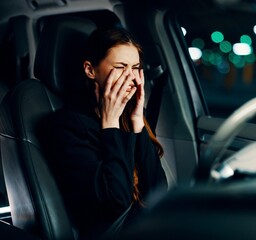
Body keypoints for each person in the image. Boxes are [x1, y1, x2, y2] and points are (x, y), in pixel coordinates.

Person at [47, 27, 168, 239]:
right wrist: (110, 124)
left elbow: (158, 191)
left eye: (136, 68)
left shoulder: (131, 116)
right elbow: (116, 204)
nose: (131, 78)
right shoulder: (66, 126)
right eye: (121, 67)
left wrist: (138, 122)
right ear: (90, 70)